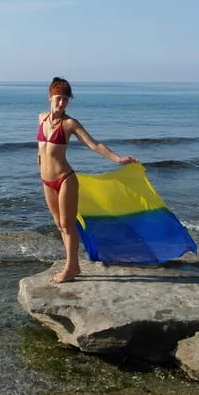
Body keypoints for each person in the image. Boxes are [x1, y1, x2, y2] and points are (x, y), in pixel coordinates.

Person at [37, 77, 137, 284]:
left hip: (65, 179)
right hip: (46, 181)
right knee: (58, 224)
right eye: (58, 98)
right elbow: (41, 151)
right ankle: (73, 265)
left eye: (65, 99)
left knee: (67, 224)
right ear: (49, 97)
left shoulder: (69, 124)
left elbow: (94, 145)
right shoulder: (41, 118)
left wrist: (118, 159)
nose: (61, 103)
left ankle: (71, 268)